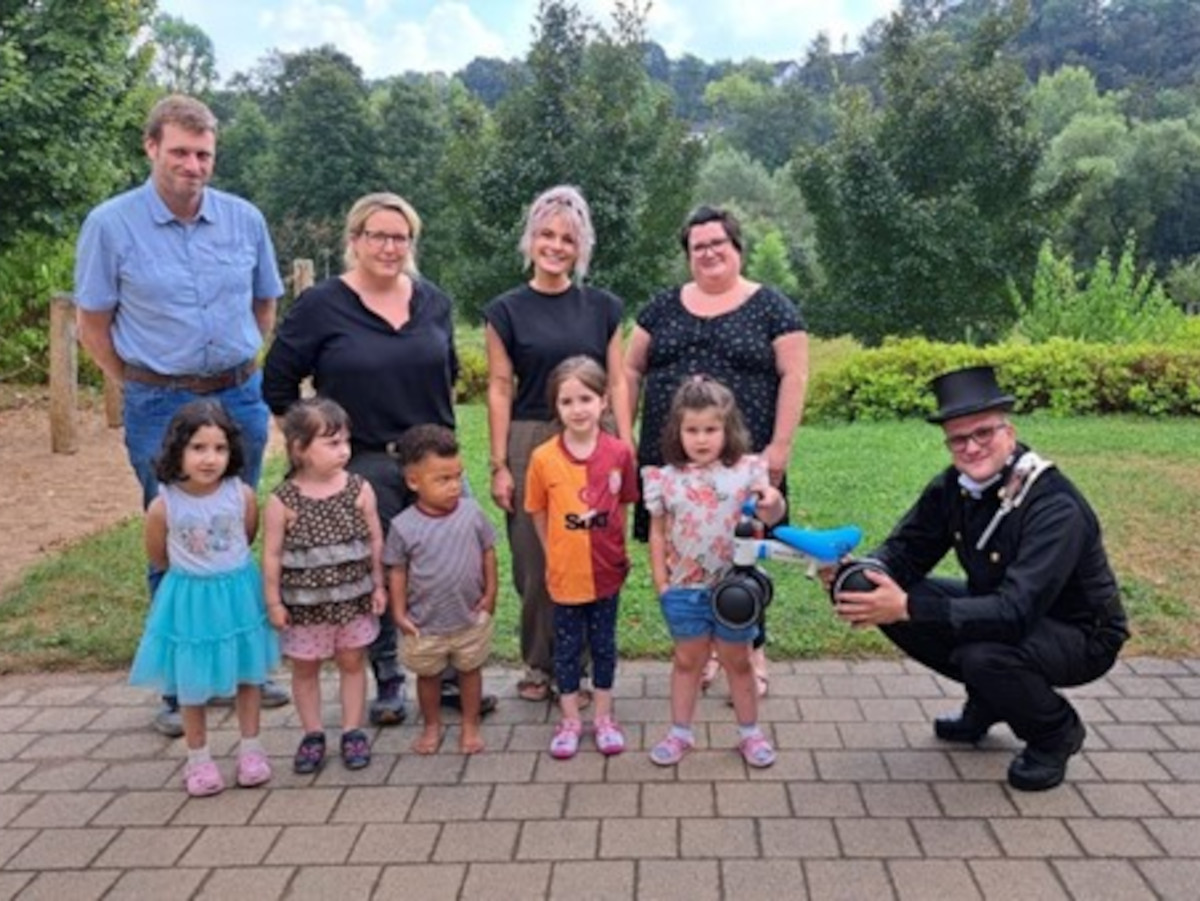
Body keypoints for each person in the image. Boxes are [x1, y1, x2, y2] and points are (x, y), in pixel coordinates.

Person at [75, 94, 290, 736]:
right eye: (180, 152)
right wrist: (137, 383)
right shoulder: (111, 226)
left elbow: (264, 306)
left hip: (237, 397)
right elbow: (92, 323)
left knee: (232, 530)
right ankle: (179, 685)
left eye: (204, 155)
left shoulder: (244, 219)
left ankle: (240, 668)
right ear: (151, 148)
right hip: (160, 401)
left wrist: (237, 367)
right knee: (174, 537)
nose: (193, 166)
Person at [830, 365, 1129, 792]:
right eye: (958, 438)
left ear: (1009, 431)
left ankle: (1055, 733)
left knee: (983, 654)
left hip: (1081, 634)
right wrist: (856, 576)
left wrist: (909, 608)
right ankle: (990, 701)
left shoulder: (1053, 504)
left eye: (983, 433)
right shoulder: (955, 484)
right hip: (1006, 611)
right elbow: (906, 550)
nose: (971, 447)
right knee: (873, 592)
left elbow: (1016, 611)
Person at [263, 192, 494, 724]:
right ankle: (388, 680)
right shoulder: (321, 305)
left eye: (400, 237)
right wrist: (317, 448)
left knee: (450, 568)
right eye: (378, 235)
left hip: (434, 461)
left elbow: (449, 370)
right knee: (375, 573)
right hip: (362, 462)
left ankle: (455, 676)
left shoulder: (433, 301)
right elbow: (278, 383)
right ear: (354, 241)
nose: (389, 247)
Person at [624, 205, 808, 698]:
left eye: (716, 243)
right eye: (697, 246)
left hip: (744, 464)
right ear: (687, 255)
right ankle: (698, 650)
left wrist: (780, 449)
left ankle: (750, 652)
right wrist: (624, 434)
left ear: (737, 248)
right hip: (673, 462)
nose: (707, 252)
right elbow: (629, 371)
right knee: (687, 551)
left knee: (742, 554)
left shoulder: (773, 308)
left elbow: (795, 375)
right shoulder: (661, 308)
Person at [484, 185, 632, 704]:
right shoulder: (504, 310)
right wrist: (500, 463)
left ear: (581, 247)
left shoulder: (603, 307)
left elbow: (617, 382)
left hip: (597, 439)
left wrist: (626, 444)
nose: (555, 245)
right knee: (537, 558)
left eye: (566, 238)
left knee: (591, 550)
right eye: (545, 234)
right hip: (531, 438)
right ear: (530, 240)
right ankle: (541, 665)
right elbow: (500, 387)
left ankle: (588, 666)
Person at [128, 400, 280, 797]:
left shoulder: (241, 494)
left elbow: (246, 536)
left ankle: (251, 750)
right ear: (177, 449)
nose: (210, 458)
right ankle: (198, 759)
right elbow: (158, 555)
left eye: (219, 448)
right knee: (192, 680)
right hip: (190, 599)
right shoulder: (164, 504)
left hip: (238, 595)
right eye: (198, 447)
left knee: (249, 673)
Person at [642, 377, 785, 769]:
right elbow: (656, 532)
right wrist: (661, 582)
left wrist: (772, 500)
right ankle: (680, 733)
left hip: (734, 592)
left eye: (711, 429)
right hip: (685, 588)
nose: (701, 439)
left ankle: (750, 733)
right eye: (692, 430)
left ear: (728, 428)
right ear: (677, 430)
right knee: (687, 661)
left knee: (738, 662)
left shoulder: (746, 471)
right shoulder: (666, 478)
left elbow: (772, 512)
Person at [262, 399, 387, 774]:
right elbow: (270, 555)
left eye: (346, 441)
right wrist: (273, 602)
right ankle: (313, 733)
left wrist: (378, 586)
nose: (344, 450)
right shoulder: (283, 500)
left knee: (352, 662)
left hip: (354, 600)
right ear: (300, 449)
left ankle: (352, 731)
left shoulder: (359, 489)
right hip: (305, 606)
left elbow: (376, 540)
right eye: (331, 443)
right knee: (305, 668)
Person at [524, 357, 637, 759]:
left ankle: (604, 716)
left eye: (586, 398)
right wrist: (552, 550)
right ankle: (570, 718)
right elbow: (538, 510)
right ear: (556, 407)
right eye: (566, 401)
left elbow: (623, 506)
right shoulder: (542, 458)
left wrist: (617, 553)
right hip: (566, 574)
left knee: (604, 645)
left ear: (604, 400)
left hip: (607, 572)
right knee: (567, 649)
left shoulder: (620, 453)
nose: (577, 409)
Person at [385, 425, 498, 755]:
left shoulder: (472, 512)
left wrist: (490, 594)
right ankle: (431, 725)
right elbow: (397, 570)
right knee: (428, 677)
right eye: (443, 480)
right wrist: (399, 612)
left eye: (458, 477)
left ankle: (470, 724)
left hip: (468, 617)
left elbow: (489, 551)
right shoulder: (404, 526)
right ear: (413, 482)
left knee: (470, 670)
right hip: (425, 623)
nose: (454, 487)